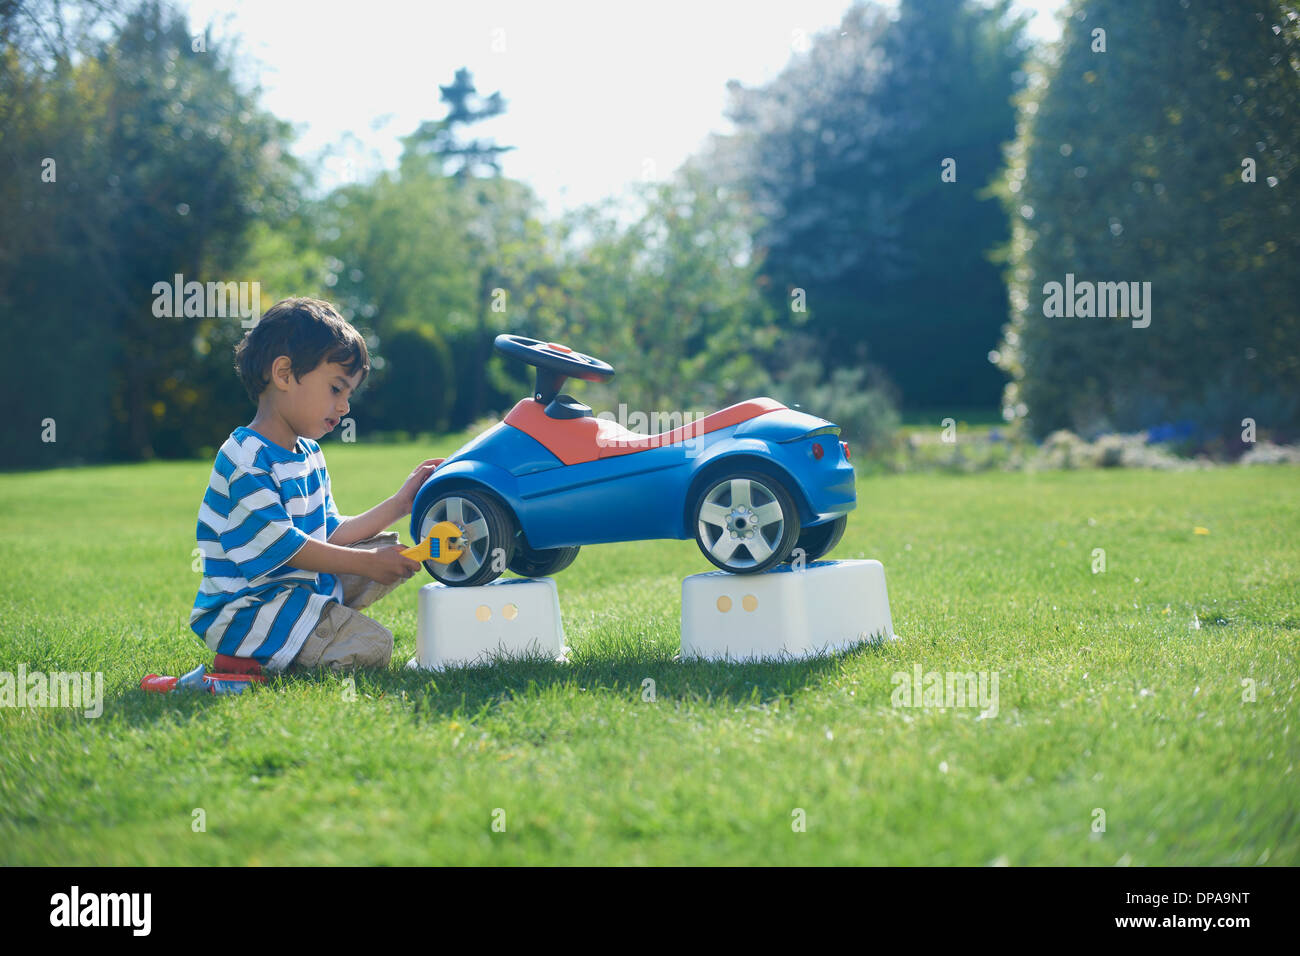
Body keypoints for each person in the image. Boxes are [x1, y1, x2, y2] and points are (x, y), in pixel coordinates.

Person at [189, 296, 442, 672]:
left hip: (291, 594)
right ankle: (249, 659)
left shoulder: (308, 453)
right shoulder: (246, 458)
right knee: (374, 646)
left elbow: (329, 533)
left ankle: (313, 626)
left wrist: (400, 503)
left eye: (349, 394)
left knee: (389, 547)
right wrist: (368, 564)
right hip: (248, 610)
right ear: (284, 374)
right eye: (336, 389)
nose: (344, 407)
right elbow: (285, 548)